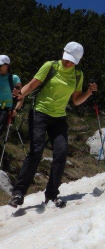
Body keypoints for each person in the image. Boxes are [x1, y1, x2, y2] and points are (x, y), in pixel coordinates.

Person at [8, 42, 97, 208]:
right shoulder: (50, 66)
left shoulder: (78, 75)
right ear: (63, 52)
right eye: (66, 58)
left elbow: (76, 101)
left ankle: (52, 194)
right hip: (39, 113)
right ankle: (18, 193)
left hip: (59, 118)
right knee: (36, 151)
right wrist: (21, 95)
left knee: (61, 154)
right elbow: (33, 83)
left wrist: (89, 93)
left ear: (79, 60)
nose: (68, 63)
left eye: (72, 61)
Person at [0, 55, 24, 135]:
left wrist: (16, 109)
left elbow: (20, 96)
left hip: (6, 110)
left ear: (7, 66)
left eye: (0, 65)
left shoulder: (13, 78)